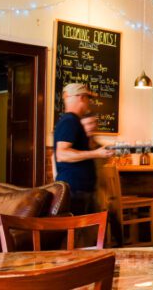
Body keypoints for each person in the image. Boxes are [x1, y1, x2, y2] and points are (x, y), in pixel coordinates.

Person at [55, 83, 113, 215]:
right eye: (88, 98)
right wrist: (96, 153)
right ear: (81, 97)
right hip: (76, 192)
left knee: (86, 234)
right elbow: (62, 154)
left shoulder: (71, 120)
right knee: (81, 234)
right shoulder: (70, 121)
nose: (89, 102)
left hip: (80, 191)